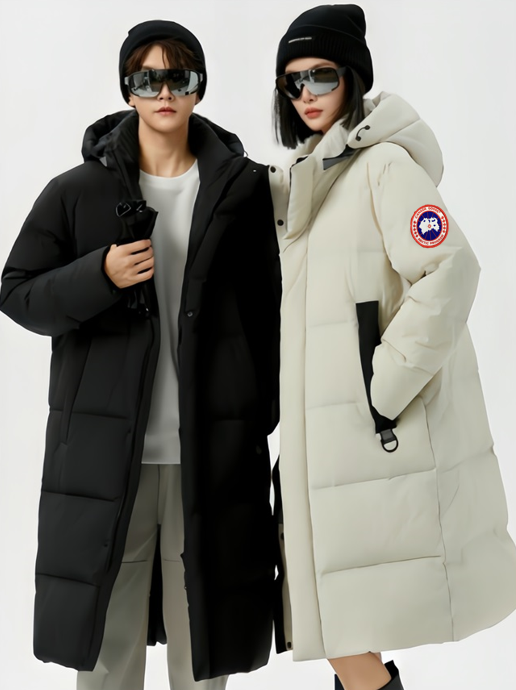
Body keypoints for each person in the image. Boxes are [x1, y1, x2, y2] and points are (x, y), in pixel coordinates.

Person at [0, 19, 281, 690]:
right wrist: (98, 274)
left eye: (178, 77)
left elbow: (269, 313)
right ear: (128, 89)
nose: (164, 92)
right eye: (148, 78)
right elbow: (17, 292)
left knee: (204, 648)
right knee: (107, 650)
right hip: (106, 458)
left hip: (209, 453)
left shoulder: (242, 191)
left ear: (199, 87)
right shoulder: (77, 191)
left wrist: (256, 420)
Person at [267, 5, 516, 690]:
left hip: (372, 441)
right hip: (328, 450)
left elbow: (450, 269)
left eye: (322, 76)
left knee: (345, 635)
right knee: (342, 633)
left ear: (353, 77)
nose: (307, 93)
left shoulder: (382, 167)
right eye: (293, 81)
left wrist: (385, 383)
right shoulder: (308, 178)